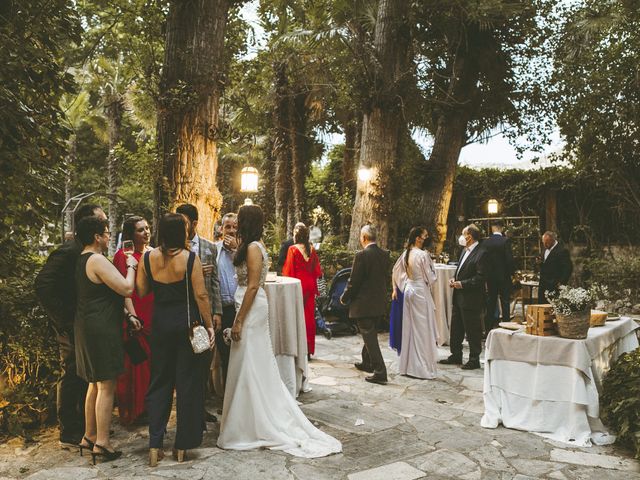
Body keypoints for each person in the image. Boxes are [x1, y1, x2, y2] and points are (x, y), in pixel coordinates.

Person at [217, 205, 342, 458]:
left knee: (249, 363)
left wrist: (238, 321)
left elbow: (252, 286)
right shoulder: (252, 245)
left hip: (250, 308)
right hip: (250, 305)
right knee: (250, 364)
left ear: (246, 221)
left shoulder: (253, 248)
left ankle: (252, 423)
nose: (236, 223)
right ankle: (248, 418)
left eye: (239, 219)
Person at [136, 213, 215, 466]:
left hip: (160, 326)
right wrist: (210, 325)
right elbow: (201, 295)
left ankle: (154, 445)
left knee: (159, 383)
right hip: (186, 328)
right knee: (187, 384)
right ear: (181, 233)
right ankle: (182, 446)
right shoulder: (190, 258)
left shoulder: (147, 258)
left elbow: (142, 291)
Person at [35, 204, 106, 449]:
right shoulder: (68, 251)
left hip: (82, 323)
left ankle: (87, 428)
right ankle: (69, 431)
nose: (105, 226)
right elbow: (43, 284)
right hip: (68, 324)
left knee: (84, 373)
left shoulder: (86, 250)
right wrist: (63, 320)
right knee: (72, 373)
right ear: (88, 223)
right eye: (101, 220)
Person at [74, 216, 140, 463]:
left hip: (86, 326)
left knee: (94, 383)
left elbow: (100, 295)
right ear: (96, 237)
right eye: (106, 233)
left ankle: (89, 436)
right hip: (101, 328)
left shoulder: (81, 259)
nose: (109, 236)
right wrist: (132, 266)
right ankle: (103, 443)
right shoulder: (97, 260)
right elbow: (125, 289)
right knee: (107, 385)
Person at [175, 204, 222, 423]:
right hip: (181, 313)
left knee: (204, 360)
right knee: (184, 366)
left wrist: (217, 312)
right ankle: (187, 410)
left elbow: (215, 283)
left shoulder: (209, 247)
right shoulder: (171, 249)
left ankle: (200, 408)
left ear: (194, 224)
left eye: (184, 222)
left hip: (203, 315)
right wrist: (193, 272)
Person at [113, 216, 153, 425]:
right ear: (130, 234)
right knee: (137, 364)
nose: (146, 232)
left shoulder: (152, 253)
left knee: (151, 364)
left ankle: (149, 406)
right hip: (136, 313)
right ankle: (135, 410)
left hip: (153, 311)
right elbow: (122, 290)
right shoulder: (123, 255)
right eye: (140, 230)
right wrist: (131, 315)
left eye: (147, 228)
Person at [340, 225, 390, 385]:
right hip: (378, 302)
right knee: (370, 333)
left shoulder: (362, 255)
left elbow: (354, 282)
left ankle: (380, 371)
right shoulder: (384, 255)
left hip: (364, 304)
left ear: (363, 238)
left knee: (370, 337)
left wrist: (344, 297)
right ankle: (367, 362)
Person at [391, 227, 438, 379]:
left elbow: (396, 271)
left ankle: (407, 366)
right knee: (423, 330)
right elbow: (431, 278)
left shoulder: (407, 253)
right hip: (420, 292)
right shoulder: (422, 255)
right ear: (418, 238)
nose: (426, 239)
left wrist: (403, 285)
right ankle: (421, 368)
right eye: (424, 236)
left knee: (410, 329)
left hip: (409, 291)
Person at [440, 224, 487, 370]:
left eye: (463, 233)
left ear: (469, 237)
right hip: (459, 297)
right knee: (456, 328)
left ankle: (474, 359)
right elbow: (462, 270)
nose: (461, 236)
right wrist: (454, 279)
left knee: (472, 329)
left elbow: (481, 277)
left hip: (472, 298)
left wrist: (463, 284)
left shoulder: (482, 252)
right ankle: (456, 354)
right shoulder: (464, 251)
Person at [282, 224, 323, 357]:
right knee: (309, 317)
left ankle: (299, 348)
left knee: (298, 316)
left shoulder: (292, 249)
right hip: (310, 285)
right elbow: (317, 270)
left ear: (296, 235)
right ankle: (309, 349)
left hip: (298, 285)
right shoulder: (311, 248)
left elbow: (289, 271)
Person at [213, 212, 238, 385]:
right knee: (226, 356)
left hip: (242, 309)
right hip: (223, 309)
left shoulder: (246, 250)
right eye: (227, 226)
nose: (231, 230)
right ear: (221, 229)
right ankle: (227, 398)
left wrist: (237, 249)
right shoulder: (214, 249)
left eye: (235, 226)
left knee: (242, 356)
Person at [482, 219, 514, 332]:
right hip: (503, 277)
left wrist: (485, 276)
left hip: (490, 278)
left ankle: (488, 329)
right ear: (502, 227)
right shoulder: (505, 241)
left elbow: (483, 261)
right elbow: (509, 260)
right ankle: (506, 328)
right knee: (505, 302)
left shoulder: (486, 242)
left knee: (491, 302)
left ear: (492, 228)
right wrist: (512, 274)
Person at [538, 231, 573, 303]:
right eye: (543, 242)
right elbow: (545, 264)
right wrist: (539, 263)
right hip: (543, 284)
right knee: (542, 307)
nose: (545, 245)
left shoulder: (562, 251)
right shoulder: (545, 250)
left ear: (553, 240)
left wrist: (561, 282)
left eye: (547, 242)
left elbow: (568, 268)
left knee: (553, 307)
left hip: (554, 284)